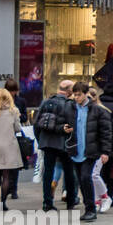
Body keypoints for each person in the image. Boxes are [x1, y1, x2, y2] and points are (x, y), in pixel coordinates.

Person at [64, 82, 111, 222]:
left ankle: (91, 209)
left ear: (85, 94)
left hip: (90, 150)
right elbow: (62, 121)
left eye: (79, 95)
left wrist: (105, 152)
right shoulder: (70, 108)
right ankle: (88, 208)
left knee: (86, 177)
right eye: (75, 94)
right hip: (75, 150)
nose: (76, 97)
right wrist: (63, 127)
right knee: (81, 180)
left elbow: (106, 132)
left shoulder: (97, 110)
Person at [33, 79, 77, 213]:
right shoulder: (69, 104)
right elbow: (72, 125)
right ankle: (70, 200)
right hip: (64, 144)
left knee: (48, 173)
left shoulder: (46, 101)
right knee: (69, 172)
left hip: (47, 142)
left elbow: (36, 123)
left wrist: (41, 139)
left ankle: (47, 202)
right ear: (69, 91)